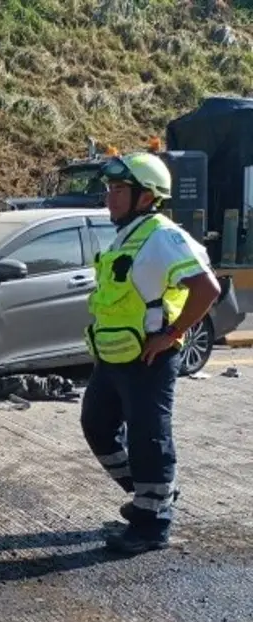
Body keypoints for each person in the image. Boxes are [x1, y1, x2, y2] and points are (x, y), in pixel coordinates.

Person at [81, 151, 220, 554]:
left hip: (149, 359)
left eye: (120, 190)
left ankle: (152, 523)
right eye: (110, 189)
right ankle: (153, 493)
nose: (110, 198)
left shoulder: (162, 234)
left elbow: (207, 289)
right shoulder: (127, 234)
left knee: (149, 437)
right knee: (97, 426)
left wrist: (172, 334)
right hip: (112, 355)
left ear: (147, 196)